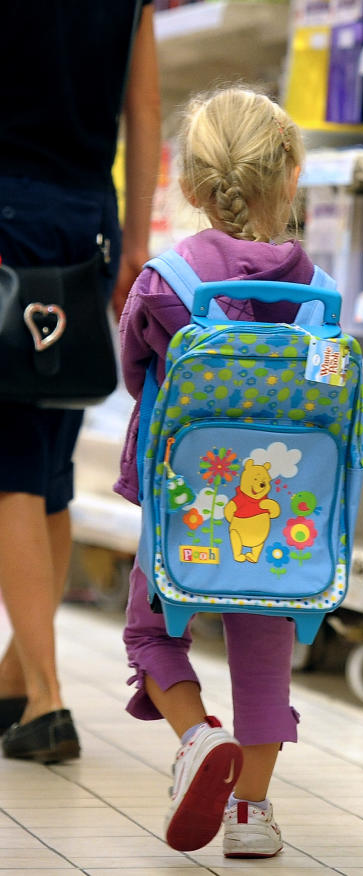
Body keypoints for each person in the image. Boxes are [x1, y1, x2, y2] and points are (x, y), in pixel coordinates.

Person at [115, 87, 318, 859]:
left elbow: (138, 374)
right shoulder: (312, 292)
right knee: (263, 656)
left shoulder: (168, 283)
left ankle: (198, 739)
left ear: (191, 185)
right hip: (282, 515)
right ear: (289, 177)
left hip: (186, 505)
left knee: (151, 631)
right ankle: (252, 818)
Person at [0, 1, 160, 762]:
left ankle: (46, 699)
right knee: (50, 470)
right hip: (89, 223)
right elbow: (145, 107)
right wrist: (135, 243)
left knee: (11, 471)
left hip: (8, 213)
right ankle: (14, 677)